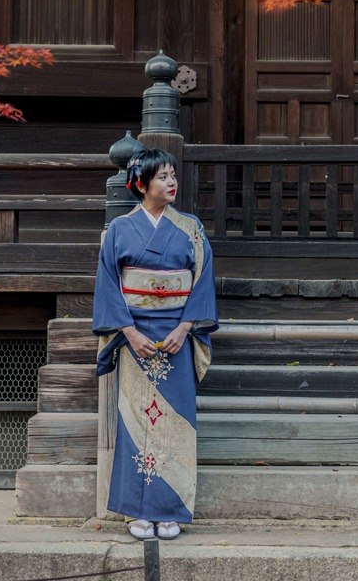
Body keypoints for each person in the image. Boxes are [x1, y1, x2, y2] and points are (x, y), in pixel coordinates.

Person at [92, 147, 218, 541]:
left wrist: (185, 328)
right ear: (142, 184)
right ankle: (137, 511)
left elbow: (202, 279)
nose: (171, 182)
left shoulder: (190, 228)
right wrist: (129, 332)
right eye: (162, 177)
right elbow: (108, 283)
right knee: (135, 422)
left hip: (177, 337)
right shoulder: (120, 229)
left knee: (176, 423)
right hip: (135, 338)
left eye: (172, 175)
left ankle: (170, 510)